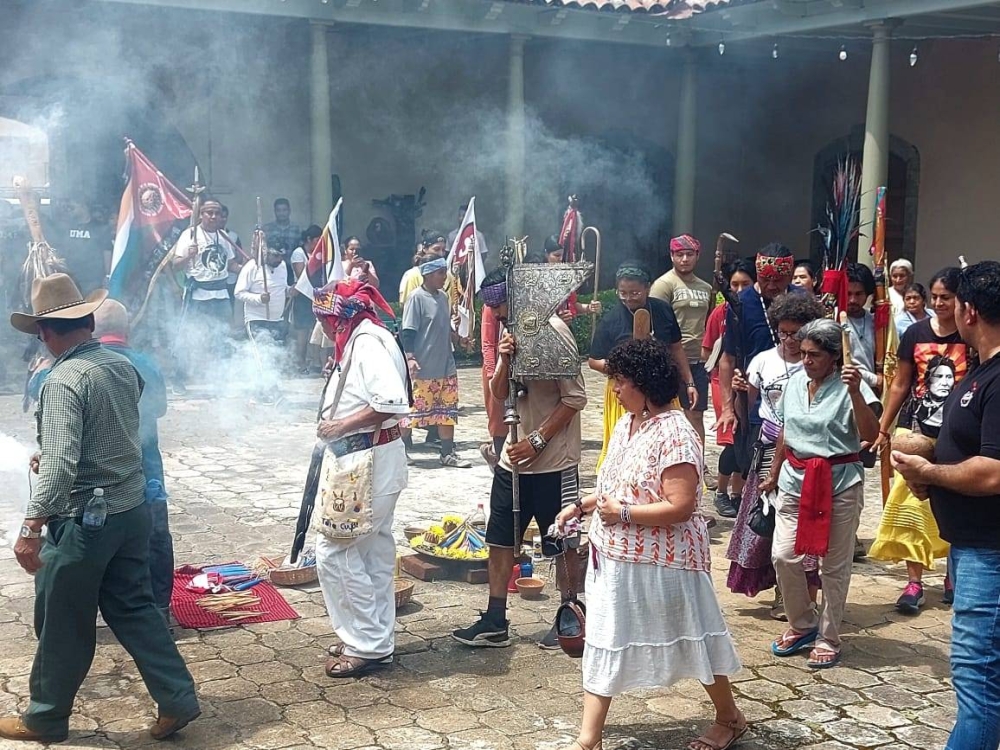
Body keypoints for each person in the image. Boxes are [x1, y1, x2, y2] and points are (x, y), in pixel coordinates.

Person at [4, 274, 198, 743]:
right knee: (134, 609)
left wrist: (32, 526)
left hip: (87, 522)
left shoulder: (62, 379)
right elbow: (109, 432)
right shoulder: (121, 366)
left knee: (62, 619)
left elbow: (65, 464)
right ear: (88, 322)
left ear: (46, 333)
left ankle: (45, 718)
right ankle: (177, 699)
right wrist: (50, 450)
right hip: (132, 511)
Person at [554, 338, 744, 750]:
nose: (615, 390)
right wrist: (581, 505)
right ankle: (590, 739)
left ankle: (729, 718)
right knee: (605, 637)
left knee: (693, 634)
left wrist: (622, 514)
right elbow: (617, 485)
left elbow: (680, 506)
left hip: (665, 562)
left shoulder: (677, 433)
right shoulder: (627, 424)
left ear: (644, 382)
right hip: (615, 559)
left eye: (621, 382)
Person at [892, 261, 1000, 750]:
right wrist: (927, 456)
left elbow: (994, 472)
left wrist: (931, 473)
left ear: (969, 309)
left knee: (977, 682)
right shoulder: (980, 370)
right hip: (971, 545)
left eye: (953, 300)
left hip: (989, 553)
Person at [453, 268, 588, 650]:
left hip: (554, 462)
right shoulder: (508, 331)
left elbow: (575, 399)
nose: (495, 313)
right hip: (514, 463)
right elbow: (499, 392)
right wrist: (505, 360)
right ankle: (495, 617)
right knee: (498, 538)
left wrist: (538, 439)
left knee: (562, 539)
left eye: (500, 305)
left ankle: (569, 612)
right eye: (491, 308)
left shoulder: (554, 330)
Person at [26, 298, 175, 620]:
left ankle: (79, 619)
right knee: (155, 540)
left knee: (82, 560)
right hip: (143, 478)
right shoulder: (141, 364)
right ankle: (158, 612)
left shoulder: (57, 372)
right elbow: (158, 409)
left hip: (85, 496)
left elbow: (60, 440)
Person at [763, 318, 881, 669]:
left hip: (839, 482)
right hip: (794, 479)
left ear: (834, 357)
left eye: (814, 355)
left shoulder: (852, 386)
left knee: (834, 564)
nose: (806, 361)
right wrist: (772, 472)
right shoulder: (796, 382)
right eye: (802, 353)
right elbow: (785, 429)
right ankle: (802, 623)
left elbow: (871, 432)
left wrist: (856, 393)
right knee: (784, 555)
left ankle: (829, 635)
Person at [310, 279, 410, 678]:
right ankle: (372, 638)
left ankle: (365, 643)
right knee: (372, 553)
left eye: (327, 320)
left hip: (366, 460)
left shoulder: (367, 342)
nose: (325, 328)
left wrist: (339, 426)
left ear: (340, 318)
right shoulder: (365, 338)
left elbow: (390, 403)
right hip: (373, 460)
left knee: (333, 551)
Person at [869, 267, 977, 613]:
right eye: (936, 297)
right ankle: (914, 582)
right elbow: (900, 383)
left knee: (951, 506)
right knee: (911, 508)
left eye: (948, 297)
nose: (940, 302)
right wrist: (883, 426)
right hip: (917, 433)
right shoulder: (915, 333)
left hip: (959, 437)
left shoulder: (970, 336)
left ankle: (951, 577)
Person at [725, 294, 827, 619]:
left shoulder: (818, 364)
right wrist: (738, 393)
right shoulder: (763, 361)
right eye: (783, 332)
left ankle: (794, 594)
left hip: (805, 456)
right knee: (767, 524)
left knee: (796, 525)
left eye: (796, 332)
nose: (789, 339)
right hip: (767, 451)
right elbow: (749, 412)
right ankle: (777, 587)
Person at [588, 261, 696, 470]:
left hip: (661, 387)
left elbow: (676, 348)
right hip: (625, 391)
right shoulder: (611, 320)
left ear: (648, 288)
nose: (628, 298)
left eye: (635, 293)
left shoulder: (663, 310)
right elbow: (593, 361)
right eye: (623, 293)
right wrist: (623, 370)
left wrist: (689, 382)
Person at [717, 243, 798, 475]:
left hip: (796, 401)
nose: (771, 286)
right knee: (754, 470)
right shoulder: (741, 304)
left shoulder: (802, 300)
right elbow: (728, 358)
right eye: (765, 279)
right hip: (754, 404)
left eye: (779, 280)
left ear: (790, 276)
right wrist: (727, 408)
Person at [400, 257, 471, 468]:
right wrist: (410, 358)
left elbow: (444, 327)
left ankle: (447, 453)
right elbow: (408, 332)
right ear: (428, 275)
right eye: (441, 273)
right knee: (411, 413)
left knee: (447, 411)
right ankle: (401, 452)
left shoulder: (443, 297)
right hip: (422, 367)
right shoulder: (416, 298)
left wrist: (459, 339)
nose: (444, 277)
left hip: (445, 365)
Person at [170, 197, 242, 394]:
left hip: (220, 295)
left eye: (217, 213)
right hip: (197, 295)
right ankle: (178, 378)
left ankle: (220, 381)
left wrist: (247, 268)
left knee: (223, 338)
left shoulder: (224, 237)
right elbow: (175, 264)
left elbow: (231, 264)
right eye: (209, 212)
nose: (213, 216)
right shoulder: (190, 235)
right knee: (188, 337)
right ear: (201, 214)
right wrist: (189, 255)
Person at [650, 234, 714, 446]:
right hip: (670, 360)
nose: (684, 259)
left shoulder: (705, 288)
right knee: (665, 414)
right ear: (672, 256)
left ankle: (698, 460)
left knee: (695, 415)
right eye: (679, 254)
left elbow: (709, 322)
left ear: (697, 256)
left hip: (698, 361)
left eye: (689, 254)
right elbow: (655, 322)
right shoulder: (663, 285)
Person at [702, 260, 754, 518]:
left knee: (748, 442)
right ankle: (721, 493)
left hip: (752, 382)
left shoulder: (759, 310)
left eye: (746, 283)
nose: (740, 289)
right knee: (732, 442)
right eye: (734, 284)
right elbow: (707, 349)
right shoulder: (720, 313)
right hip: (722, 381)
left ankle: (738, 494)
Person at [235, 244, 291, 401]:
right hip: (256, 318)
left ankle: (260, 392)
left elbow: (281, 287)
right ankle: (272, 390)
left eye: (281, 256)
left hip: (276, 319)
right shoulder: (252, 266)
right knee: (262, 355)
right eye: (275, 256)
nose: (279, 260)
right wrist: (259, 298)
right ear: (266, 254)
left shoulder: (282, 266)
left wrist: (289, 290)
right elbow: (239, 292)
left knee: (272, 356)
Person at [50, 195, 113, 296]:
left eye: (73, 207)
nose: (70, 210)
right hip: (69, 279)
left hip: (92, 281)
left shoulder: (100, 228)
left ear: (83, 206)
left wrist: (108, 275)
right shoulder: (66, 227)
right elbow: (59, 249)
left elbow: (107, 252)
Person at [543, 236, 601, 321]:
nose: (561, 259)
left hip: (567, 327)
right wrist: (558, 320)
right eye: (557, 255)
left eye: (563, 255)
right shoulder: (540, 279)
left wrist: (589, 308)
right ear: (546, 254)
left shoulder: (566, 276)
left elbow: (572, 304)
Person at [290, 225, 323, 374]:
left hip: (317, 295)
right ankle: (301, 363)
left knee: (316, 330)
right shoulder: (299, 253)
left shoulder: (320, 253)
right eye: (317, 240)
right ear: (309, 239)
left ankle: (315, 361)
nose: (319, 243)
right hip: (303, 296)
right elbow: (302, 275)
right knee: (302, 332)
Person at [844, 262, 880, 391]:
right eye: (848, 294)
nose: (853, 300)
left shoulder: (875, 322)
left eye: (858, 294)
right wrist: (875, 380)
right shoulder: (834, 321)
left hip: (872, 393)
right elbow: (841, 365)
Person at [219, 204, 244, 323]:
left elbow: (239, 257)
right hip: (214, 282)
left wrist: (228, 264)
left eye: (225, 217)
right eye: (220, 216)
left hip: (230, 279)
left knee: (229, 309)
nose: (222, 219)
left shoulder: (233, 236)